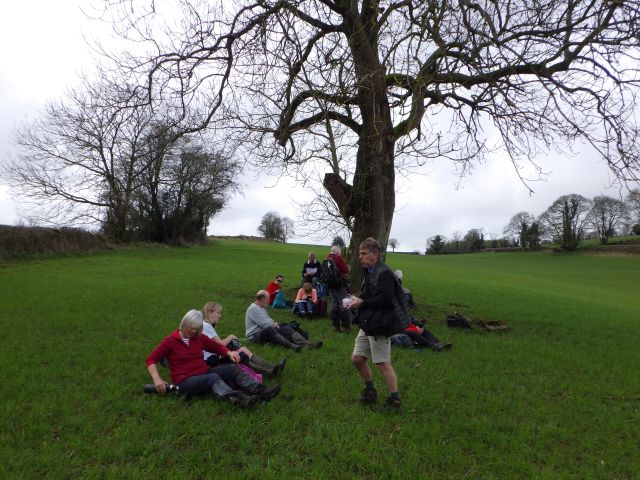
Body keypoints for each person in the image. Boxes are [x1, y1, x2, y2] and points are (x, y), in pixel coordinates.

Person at [146, 309, 281, 409]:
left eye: (196, 329)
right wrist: (157, 379)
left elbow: (216, 347)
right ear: (184, 324)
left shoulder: (198, 338)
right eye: (191, 328)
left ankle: (263, 391)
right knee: (212, 378)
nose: (193, 332)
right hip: (185, 380)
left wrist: (229, 353)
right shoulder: (170, 341)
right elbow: (151, 360)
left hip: (204, 372)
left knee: (232, 369)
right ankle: (241, 401)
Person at [346, 237, 404, 411]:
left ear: (375, 254)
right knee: (357, 359)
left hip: (379, 324)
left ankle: (395, 402)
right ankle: (370, 392)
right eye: (360, 254)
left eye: (363, 254)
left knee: (382, 363)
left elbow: (387, 298)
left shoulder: (384, 273)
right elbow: (370, 294)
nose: (360, 257)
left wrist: (362, 303)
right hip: (368, 323)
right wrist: (358, 299)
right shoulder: (370, 271)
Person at [202, 302, 287, 379]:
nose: (220, 316)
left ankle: (272, 367)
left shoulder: (205, 325)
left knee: (243, 350)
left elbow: (216, 344)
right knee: (241, 355)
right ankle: (268, 373)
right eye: (218, 313)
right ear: (210, 313)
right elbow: (220, 344)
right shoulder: (207, 326)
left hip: (213, 356)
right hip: (210, 359)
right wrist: (231, 337)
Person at [245, 290, 323, 351]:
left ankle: (305, 342)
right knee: (271, 329)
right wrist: (275, 324)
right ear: (262, 299)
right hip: (255, 336)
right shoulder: (254, 309)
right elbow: (266, 324)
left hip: (263, 331)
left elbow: (268, 321)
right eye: (268, 299)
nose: (269, 301)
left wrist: (276, 324)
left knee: (286, 326)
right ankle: (294, 346)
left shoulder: (260, 308)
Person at [325, 245, 352, 333]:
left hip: (330, 285)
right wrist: (348, 268)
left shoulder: (327, 259)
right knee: (344, 304)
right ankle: (345, 327)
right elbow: (345, 270)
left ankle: (335, 326)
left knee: (335, 305)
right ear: (337, 252)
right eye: (339, 253)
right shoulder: (337, 258)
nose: (340, 255)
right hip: (339, 285)